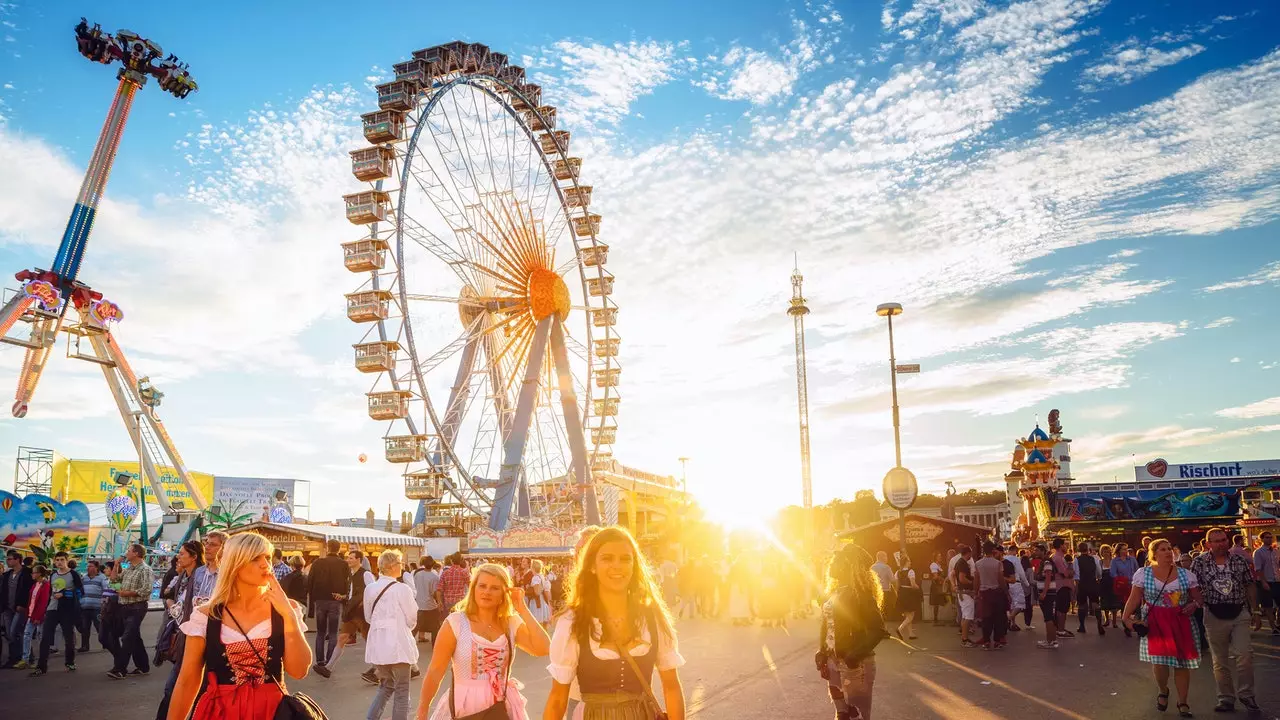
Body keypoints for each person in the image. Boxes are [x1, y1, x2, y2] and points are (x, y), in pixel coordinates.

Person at [166, 532, 313, 720]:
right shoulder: (206, 615)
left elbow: (299, 671)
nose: (265, 565)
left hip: (271, 711)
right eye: (254, 558)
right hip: (220, 712)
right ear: (234, 564)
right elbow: (187, 681)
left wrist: (289, 617)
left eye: (267, 557)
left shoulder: (286, 610)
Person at [543, 526, 685, 720]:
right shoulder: (573, 621)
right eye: (607, 558)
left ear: (635, 565)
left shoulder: (652, 618)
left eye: (625, 559)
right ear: (592, 566)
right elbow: (558, 699)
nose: (617, 565)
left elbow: (671, 687)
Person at [415, 563, 550, 720]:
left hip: (501, 706)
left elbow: (544, 648)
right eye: (482, 586)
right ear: (473, 589)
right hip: (464, 705)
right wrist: (422, 711)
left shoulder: (511, 623)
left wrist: (522, 609)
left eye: (495, 588)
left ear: (504, 593)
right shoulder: (456, 622)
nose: (487, 591)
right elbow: (435, 671)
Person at [1122, 538, 1203, 718]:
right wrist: (1125, 617)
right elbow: (1134, 598)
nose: (1168, 552)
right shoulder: (1143, 573)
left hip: (1181, 620)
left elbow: (1198, 598)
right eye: (1163, 549)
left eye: (1169, 549)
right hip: (1155, 621)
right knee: (1159, 662)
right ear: (1154, 554)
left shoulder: (1186, 575)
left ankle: (1183, 701)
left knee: (1182, 663)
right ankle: (1163, 689)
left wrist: (1194, 605)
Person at [1190, 528, 1260, 713]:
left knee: (1244, 655)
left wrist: (1256, 611)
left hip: (1239, 612)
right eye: (1216, 541)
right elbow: (1193, 587)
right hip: (1213, 614)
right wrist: (1196, 602)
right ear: (1208, 544)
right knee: (1220, 660)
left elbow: (1249, 584)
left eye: (1224, 540)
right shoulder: (1199, 562)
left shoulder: (1239, 561)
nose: (1222, 543)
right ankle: (1226, 698)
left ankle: (1247, 695)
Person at [818, 545, 884, 720]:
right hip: (834, 661)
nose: (832, 562)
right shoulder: (834, 592)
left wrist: (855, 655)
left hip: (856, 666)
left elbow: (878, 630)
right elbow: (827, 624)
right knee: (842, 713)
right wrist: (822, 651)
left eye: (838, 559)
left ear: (850, 564)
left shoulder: (861, 595)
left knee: (857, 716)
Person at [365, 550, 419, 720]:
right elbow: (412, 618)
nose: (402, 567)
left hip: (378, 643)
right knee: (402, 690)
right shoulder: (402, 589)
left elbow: (368, 617)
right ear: (392, 566)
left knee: (386, 686)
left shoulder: (370, 588)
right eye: (400, 563)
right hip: (398, 644)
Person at [155, 540, 206, 720]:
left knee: (175, 688)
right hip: (181, 636)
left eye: (183, 553)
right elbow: (168, 595)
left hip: (193, 637)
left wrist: (171, 605)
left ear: (193, 557)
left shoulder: (200, 577)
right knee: (179, 687)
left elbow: (188, 609)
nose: (178, 556)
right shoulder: (184, 576)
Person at [314, 549, 376, 681]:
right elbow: (353, 594)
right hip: (352, 612)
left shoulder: (366, 574)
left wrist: (366, 605)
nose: (348, 560)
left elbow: (373, 591)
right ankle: (328, 668)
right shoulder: (351, 575)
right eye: (348, 558)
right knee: (342, 637)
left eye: (351, 558)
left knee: (370, 641)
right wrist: (343, 597)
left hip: (362, 612)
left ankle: (377, 668)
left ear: (359, 560)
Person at [108, 543, 154, 678]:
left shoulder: (145, 570)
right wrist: (116, 565)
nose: (126, 553)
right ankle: (143, 666)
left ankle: (120, 669)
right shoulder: (129, 569)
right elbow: (114, 579)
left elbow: (146, 590)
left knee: (127, 637)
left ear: (136, 554)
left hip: (137, 607)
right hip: (125, 607)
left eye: (129, 551)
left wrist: (127, 593)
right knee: (134, 637)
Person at [308, 539, 351, 671]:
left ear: (327, 548)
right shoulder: (344, 564)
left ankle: (319, 660)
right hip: (335, 601)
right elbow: (348, 583)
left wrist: (312, 602)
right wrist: (344, 598)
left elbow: (310, 582)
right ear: (339, 549)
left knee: (320, 632)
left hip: (320, 600)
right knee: (333, 633)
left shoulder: (317, 563)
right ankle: (328, 662)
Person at [1, 549, 35, 667]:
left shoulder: (27, 574)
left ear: (17, 560)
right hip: (7, 608)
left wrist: (24, 605)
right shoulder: (7, 575)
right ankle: (15, 657)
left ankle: (26, 656)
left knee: (16, 631)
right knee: (11, 634)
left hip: (20, 608)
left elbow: (29, 591)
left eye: (9, 559)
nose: (7, 561)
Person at [973, 543, 1007, 650]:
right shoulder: (998, 563)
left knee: (986, 618)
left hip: (984, 593)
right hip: (996, 592)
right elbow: (1001, 579)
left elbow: (976, 580)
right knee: (998, 617)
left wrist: (975, 592)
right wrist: (1006, 591)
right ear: (992, 550)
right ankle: (997, 641)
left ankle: (986, 641)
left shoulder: (978, 563)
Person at [1073, 542, 1104, 635]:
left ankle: (1082, 626)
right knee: (1095, 604)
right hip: (1092, 583)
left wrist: (1077, 588)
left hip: (1082, 584)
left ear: (1079, 550)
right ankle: (1099, 623)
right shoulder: (1094, 558)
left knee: (1082, 605)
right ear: (1088, 549)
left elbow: (1076, 575)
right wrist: (1097, 579)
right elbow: (1099, 572)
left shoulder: (1076, 560)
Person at [1252, 531, 1279, 635]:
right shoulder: (1258, 552)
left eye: (1271, 537)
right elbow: (1258, 569)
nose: (1270, 539)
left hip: (1276, 580)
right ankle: (1273, 628)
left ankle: (1277, 622)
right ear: (1262, 539)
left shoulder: (1276, 551)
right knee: (1268, 606)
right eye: (1267, 537)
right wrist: (1263, 582)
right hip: (1265, 581)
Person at [79, 559, 110, 652]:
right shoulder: (84, 578)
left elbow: (106, 591)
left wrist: (104, 604)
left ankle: (106, 644)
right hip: (85, 607)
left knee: (100, 627)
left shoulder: (102, 578)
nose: (88, 568)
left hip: (97, 607)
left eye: (90, 566)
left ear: (96, 568)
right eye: (88, 566)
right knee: (84, 628)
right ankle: (85, 646)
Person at [1048, 538, 1075, 639]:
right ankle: (1060, 630)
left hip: (1062, 585)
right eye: (1064, 545)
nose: (1066, 547)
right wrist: (1070, 572)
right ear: (1060, 546)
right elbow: (1066, 573)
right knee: (1061, 609)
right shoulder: (1058, 558)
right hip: (1061, 586)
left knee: (1062, 608)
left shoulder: (1059, 557)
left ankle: (1061, 628)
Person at [1036, 546, 1060, 650]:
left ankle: (1050, 641)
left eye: (1037, 550)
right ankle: (1052, 639)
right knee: (1049, 617)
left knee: (1048, 617)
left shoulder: (1047, 563)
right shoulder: (1045, 562)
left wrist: (1044, 592)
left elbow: (1048, 577)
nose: (1035, 552)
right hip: (1047, 592)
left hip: (1048, 593)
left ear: (1043, 551)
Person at [413, 557, 441, 644]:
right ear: (433, 565)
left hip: (418, 604)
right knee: (435, 627)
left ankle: (408, 644)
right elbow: (434, 593)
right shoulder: (434, 577)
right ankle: (435, 646)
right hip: (430, 606)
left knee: (415, 627)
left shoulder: (417, 574)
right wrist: (439, 602)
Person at [952, 547, 975, 647]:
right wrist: (972, 583)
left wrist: (954, 585)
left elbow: (952, 574)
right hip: (965, 593)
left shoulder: (958, 562)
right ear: (968, 553)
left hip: (961, 592)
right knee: (968, 617)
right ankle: (965, 639)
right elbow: (962, 578)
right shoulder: (963, 563)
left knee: (965, 616)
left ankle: (964, 637)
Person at [894, 556, 919, 641]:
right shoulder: (911, 571)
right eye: (909, 561)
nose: (910, 563)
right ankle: (900, 629)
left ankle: (911, 634)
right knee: (911, 615)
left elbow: (897, 586)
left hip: (901, 593)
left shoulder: (897, 572)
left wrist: (897, 595)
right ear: (905, 562)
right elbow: (913, 584)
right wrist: (917, 587)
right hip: (909, 593)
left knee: (908, 614)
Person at [527, 559, 552, 631]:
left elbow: (537, 592)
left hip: (536, 602)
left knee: (537, 624)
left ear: (533, 568)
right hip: (542, 601)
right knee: (543, 625)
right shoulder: (542, 576)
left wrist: (530, 589)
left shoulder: (535, 578)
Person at [927, 553, 947, 626]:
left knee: (938, 603)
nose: (940, 557)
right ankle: (935, 620)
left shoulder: (939, 566)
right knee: (936, 603)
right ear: (935, 557)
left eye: (941, 556)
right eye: (939, 556)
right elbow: (935, 577)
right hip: (936, 586)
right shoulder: (933, 565)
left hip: (940, 585)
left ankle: (936, 619)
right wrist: (944, 580)